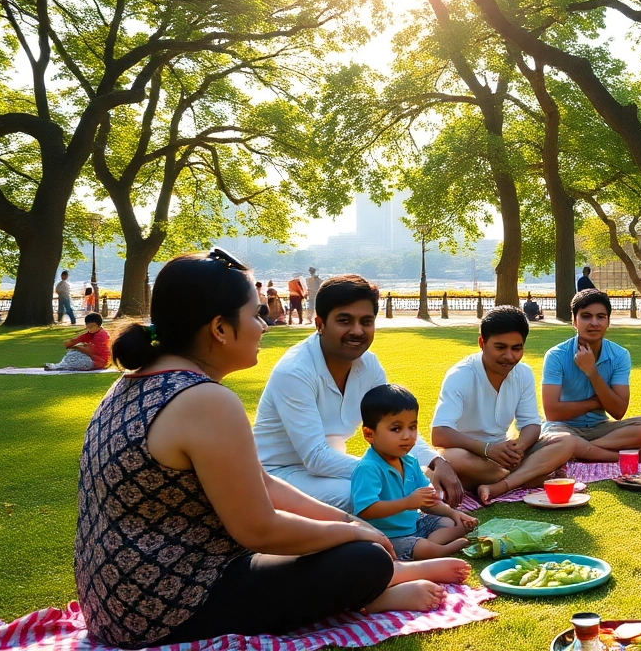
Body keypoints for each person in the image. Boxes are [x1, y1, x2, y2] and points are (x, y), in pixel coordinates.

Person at [76, 251, 468, 649]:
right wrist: (349, 533)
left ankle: (386, 574)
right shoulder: (205, 399)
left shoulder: (138, 380)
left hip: (116, 602)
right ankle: (383, 583)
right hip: (165, 608)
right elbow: (258, 529)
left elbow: (261, 482)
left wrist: (350, 524)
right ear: (220, 329)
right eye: (255, 314)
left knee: (358, 541)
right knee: (365, 559)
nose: (264, 325)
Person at [254, 274, 465, 510]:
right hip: (277, 476)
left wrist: (437, 461)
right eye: (345, 321)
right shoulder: (295, 371)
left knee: (400, 490)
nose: (357, 331)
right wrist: (394, 473)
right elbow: (315, 457)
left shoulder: (368, 365)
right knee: (366, 496)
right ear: (320, 324)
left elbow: (395, 422)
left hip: (331, 472)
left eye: (366, 321)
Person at [431, 306, 575, 503]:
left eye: (516, 348)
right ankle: (528, 477)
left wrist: (519, 447)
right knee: (452, 458)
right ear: (482, 342)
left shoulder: (523, 373)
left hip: (506, 454)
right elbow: (439, 433)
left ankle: (500, 483)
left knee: (565, 441)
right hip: (470, 455)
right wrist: (487, 449)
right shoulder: (461, 375)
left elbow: (531, 424)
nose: (509, 356)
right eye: (500, 347)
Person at [352, 385, 479, 560]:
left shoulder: (410, 461)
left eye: (412, 427)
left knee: (454, 523)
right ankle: (438, 550)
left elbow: (427, 501)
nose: (407, 436)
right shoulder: (369, 468)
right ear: (369, 434)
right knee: (418, 547)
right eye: (396, 429)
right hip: (388, 536)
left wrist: (452, 513)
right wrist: (407, 503)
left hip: (414, 524)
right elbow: (366, 510)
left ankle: (431, 546)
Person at [541, 289, 641, 462]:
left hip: (601, 428)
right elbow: (552, 413)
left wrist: (592, 372)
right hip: (563, 429)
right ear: (574, 321)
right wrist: (596, 402)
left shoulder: (619, 355)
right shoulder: (556, 355)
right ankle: (617, 456)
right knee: (559, 439)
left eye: (601, 317)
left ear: (608, 321)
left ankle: (583, 450)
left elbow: (618, 411)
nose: (594, 323)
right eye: (586, 316)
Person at [45, 313, 112, 371]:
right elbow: (70, 342)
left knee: (77, 355)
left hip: (98, 361)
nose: (90, 329)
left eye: (91, 327)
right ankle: (59, 366)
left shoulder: (102, 335)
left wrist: (77, 347)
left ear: (98, 325)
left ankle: (58, 366)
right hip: (92, 358)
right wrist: (75, 344)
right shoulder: (90, 333)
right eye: (88, 327)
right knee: (74, 353)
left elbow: (91, 351)